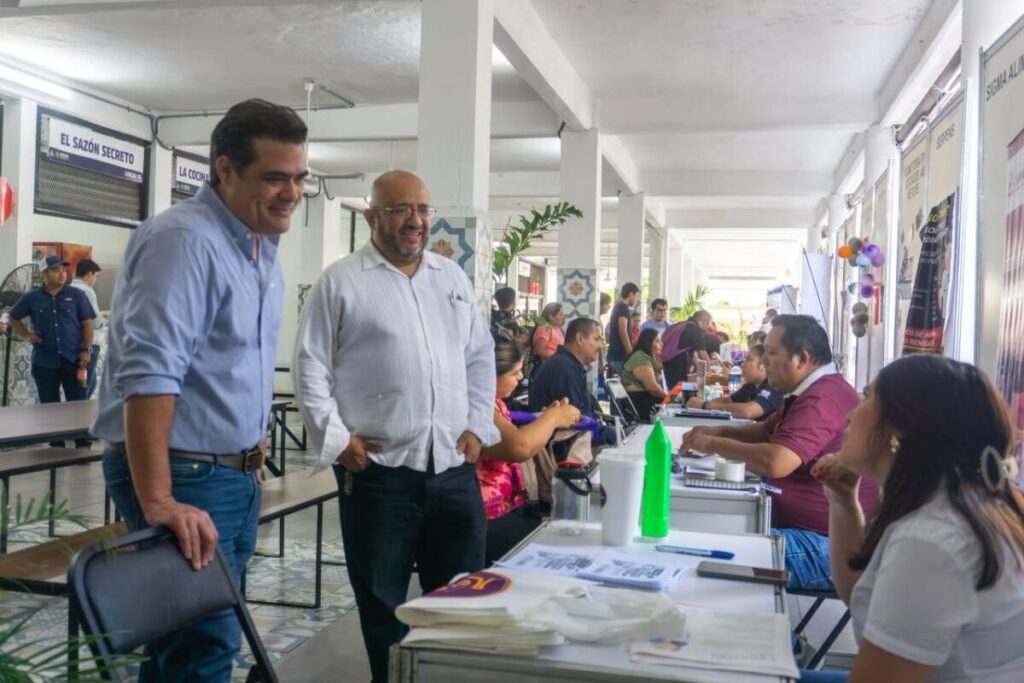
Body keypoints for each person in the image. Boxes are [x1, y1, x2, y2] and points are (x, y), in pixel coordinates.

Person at [92, 99, 308, 682]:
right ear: (225, 170)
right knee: (205, 649)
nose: (291, 193)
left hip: (228, 474)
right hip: (186, 475)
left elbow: (229, 366)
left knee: (186, 646)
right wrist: (160, 499)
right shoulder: (185, 240)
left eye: (299, 178)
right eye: (275, 177)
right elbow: (150, 374)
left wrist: (247, 446)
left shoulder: (255, 244)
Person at [293, 169, 499, 683]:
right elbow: (310, 366)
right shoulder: (342, 281)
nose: (415, 220)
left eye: (423, 209)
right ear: (371, 217)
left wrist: (478, 426)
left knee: (461, 598)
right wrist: (337, 441)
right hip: (380, 475)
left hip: (453, 469)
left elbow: (479, 356)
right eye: (400, 209)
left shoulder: (450, 279)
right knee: (384, 604)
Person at [808, 355, 1024, 682]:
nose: (850, 414)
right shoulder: (956, 499)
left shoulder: (932, 540)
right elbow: (863, 596)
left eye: (867, 397)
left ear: (901, 427)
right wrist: (842, 501)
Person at [680, 315, 879, 590]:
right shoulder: (806, 393)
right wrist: (716, 431)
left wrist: (713, 444)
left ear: (801, 359)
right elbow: (764, 432)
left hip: (824, 544)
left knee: (713, 551)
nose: (763, 362)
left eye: (771, 353)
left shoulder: (822, 399)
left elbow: (776, 462)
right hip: (805, 531)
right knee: (706, 534)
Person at [479, 333, 580, 565]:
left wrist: (546, 421)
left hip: (506, 510)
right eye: (515, 372)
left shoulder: (495, 404)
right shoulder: (476, 406)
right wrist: (552, 419)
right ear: (489, 375)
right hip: (489, 519)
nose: (521, 377)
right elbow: (519, 447)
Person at [9, 255, 94, 447]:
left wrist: (87, 350)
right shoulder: (32, 297)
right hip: (44, 360)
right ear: (44, 274)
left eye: (63, 270)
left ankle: (82, 446)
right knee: (49, 407)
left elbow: (87, 323)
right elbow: (13, 316)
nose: (62, 274)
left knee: (78, 405)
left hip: (74, 359)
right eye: (56, 270)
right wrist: (27, 335)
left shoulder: (77, 295)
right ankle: (56, 447)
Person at [529, 317, 615, 444]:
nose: (601, 346)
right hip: (564, 448)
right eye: (597, 339)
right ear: (580, 339)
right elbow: (578, 422)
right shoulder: (564, 368)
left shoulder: (569, 365)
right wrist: (614, 435)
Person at [686, 345, 781, 421]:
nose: (743, 365)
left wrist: (705, 405)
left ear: (763, 365)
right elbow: (728, 400)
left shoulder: (773, 387)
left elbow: (748, 411)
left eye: (749, 359)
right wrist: (698, 403)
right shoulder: (750, 386)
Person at [69, 258, 104, 398]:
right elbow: (95, 321)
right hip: (88, 345)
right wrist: (103, 321)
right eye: (96, 276)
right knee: (85, 385)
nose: (96, 280)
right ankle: (80, 412)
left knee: (88, 383)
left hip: (74, 343)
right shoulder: (87, 291)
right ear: (89, 274)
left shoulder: (69, 288)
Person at [618, 328, 667, 422]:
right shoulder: (641, 358)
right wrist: (669, 398)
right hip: (639, 402)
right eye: (657, 341)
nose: (661, 344)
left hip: (644, 399)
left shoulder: (646, 356)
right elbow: (652, 388)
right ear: (648, 343)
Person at [660, 309, 712, 389]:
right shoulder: (695, 329)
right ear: (705, 321)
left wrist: (699, 368)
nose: (708, 327)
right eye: (709, 324)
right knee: (679, 391)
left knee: (673, 390)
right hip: (679, 366)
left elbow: (691, 352)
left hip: (668, 363)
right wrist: (710, 372)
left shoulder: (683, 325)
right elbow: (702, 354)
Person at [606, 282, 640, 375]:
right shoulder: (623, 308)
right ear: (631, 294)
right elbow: (623, 331)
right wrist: (630, 353)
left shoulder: (619, 306)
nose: (637, 300)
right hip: (619, 356)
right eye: (636, 296)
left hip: (616, 355)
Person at [531, 301, 565, 367]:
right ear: (551, 317)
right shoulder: (544, 329)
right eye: (560, 314)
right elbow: (539, 350)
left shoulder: (557, 329)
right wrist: (557, 358)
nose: (563, 317)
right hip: (547, 366)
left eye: (563, 314)